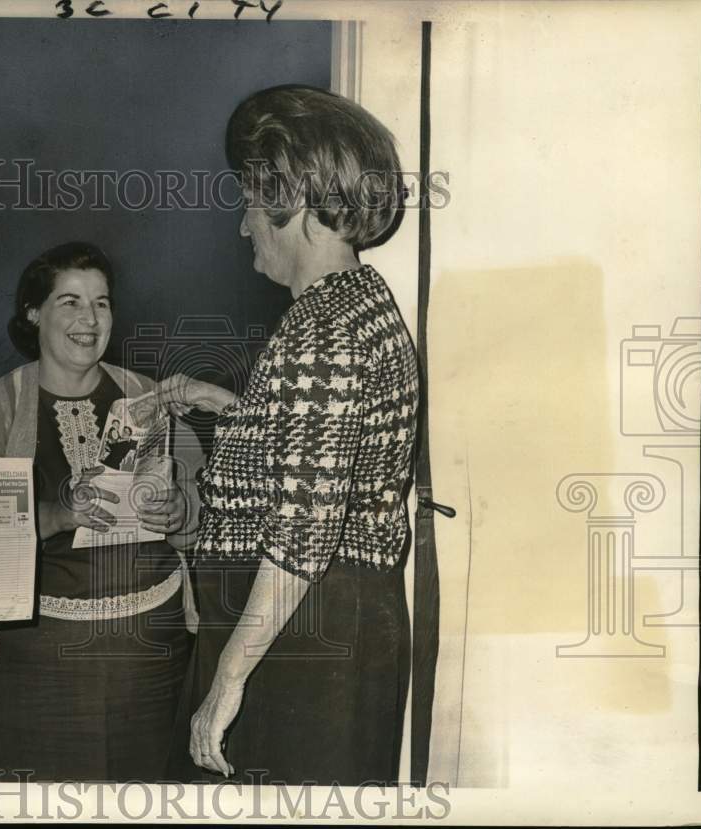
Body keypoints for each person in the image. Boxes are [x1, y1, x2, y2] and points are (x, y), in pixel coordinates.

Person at [158, 85, 420, 785]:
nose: (245, 226)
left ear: (293, 199)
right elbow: (327, 450)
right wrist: (237, 407)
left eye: (250, 200)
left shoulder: (322, 329)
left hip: (300, 635)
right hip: (329, 623)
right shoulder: (358, 302)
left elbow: (304, 527)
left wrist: (226, 682)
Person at [0, 241, 204, 781]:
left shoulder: (149, 396)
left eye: (101, 303)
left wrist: (179, 512)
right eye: (69, 302)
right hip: (39, 662)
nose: (89, 319)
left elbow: (202, 518)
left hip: (152, 656)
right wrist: (56, 515)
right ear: (33, 312)